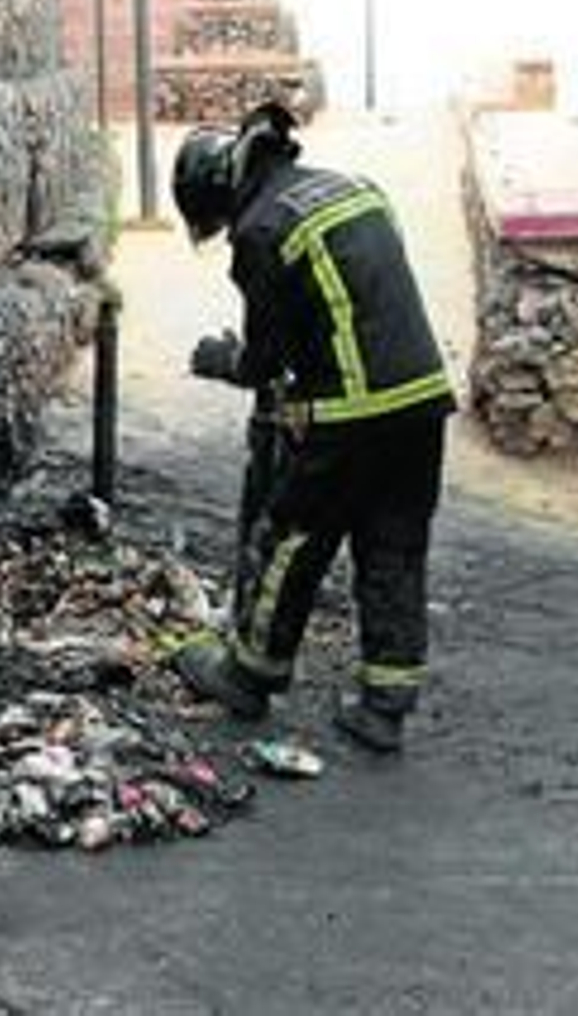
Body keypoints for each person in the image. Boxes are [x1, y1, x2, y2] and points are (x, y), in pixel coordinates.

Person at [169, 99, 454, 752]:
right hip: (422, 401)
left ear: (220, 192)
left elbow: (266, 359)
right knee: (394, 548)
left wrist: (222, 360)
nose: (222, 227)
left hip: (350, 416)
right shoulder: (352, 189)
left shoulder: (262, 230)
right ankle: (385, 705)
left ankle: (250, 673)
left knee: (292, 541)